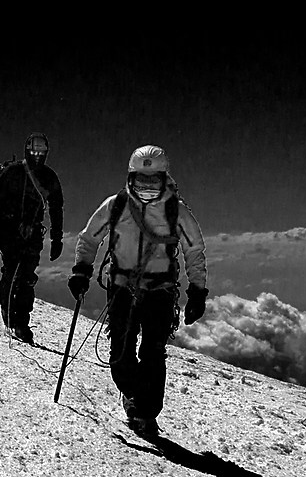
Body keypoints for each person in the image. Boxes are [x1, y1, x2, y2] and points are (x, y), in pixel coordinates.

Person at [67, 145, 209, 439]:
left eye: (153, 182)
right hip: (122, 286)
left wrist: (198, 291)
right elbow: (89, 238)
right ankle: (132, 395)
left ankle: (144, 412)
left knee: (153, 352)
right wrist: (81, 269)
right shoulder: (116, 205)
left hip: (160, 290)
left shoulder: (175, 210)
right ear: (131, 178)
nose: (146, 189)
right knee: (120, 352)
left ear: (163, 179)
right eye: (141, 182)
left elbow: (193, 250)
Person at [0, 133, 65, 344]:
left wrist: (57, 239)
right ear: (27, 152)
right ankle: (10, 313)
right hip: (9, 232)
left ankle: (21, 323)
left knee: (27, 278)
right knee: (13, 273)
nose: (37, 157)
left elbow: (57, 208)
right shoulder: (13, 172)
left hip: (31, 235)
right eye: (34, 152)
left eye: (41, 153)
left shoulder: (49, 177)